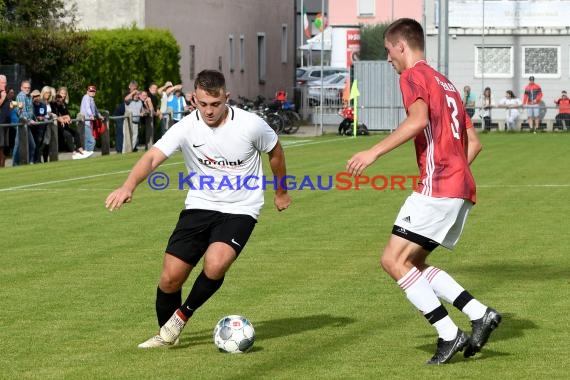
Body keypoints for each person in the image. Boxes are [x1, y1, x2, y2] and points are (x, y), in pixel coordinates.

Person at [346, 18, 499, 365]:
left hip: (439, 185)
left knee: (392, 260)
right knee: (413, 262)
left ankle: (449, 333)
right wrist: (456, 175)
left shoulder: (412, 75)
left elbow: (417, 121)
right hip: (457, 185)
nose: (388, 58)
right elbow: (474, 143)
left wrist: (373, 152)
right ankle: (480, 314)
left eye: (388, 50)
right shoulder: (446, 84)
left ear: (402, 45)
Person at [105, 69, 291, 349]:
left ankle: (182, 316)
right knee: (170, 278)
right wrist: (128, 186)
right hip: (200, 206)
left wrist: (281, 192)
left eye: (215, 104)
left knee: (215, 264)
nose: (209, 111)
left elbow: (275, 151)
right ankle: (167, 336)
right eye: (202, 104)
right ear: (193, 98)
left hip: (241, 208)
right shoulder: (185, 127)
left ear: (226, 98)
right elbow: (154, 156)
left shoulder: (250, 125)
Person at [51, 87, 91, 159]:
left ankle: (81, 150)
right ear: (58, 93)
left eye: (65, 94)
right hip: (57, 127)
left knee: (76, 133)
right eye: (62, 93)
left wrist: (67, 117)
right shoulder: (54, 103)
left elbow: (67, 114)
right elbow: (55, 115)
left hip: (65, 126)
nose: (63, 95)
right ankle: (74, 153)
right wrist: (64, 117)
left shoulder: (64, 104)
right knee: (68, 135)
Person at [13, 80, 36, 166]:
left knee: (32, 145)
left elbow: (30, 110)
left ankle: (29, 162)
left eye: (28, 88)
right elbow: (22, 111)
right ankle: (15, 164)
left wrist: (34, 118)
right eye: (25, 88)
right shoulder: (21, 96)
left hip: (27, 124)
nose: (27, 89)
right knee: (18, 144)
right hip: (22, 124)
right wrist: (29, 120)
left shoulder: (29, 96)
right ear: (21, 88)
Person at [79, 84, 102, 153]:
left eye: (93, 91)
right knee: (92, 141)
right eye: (90, 91)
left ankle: (85, 156)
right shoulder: (86, 97)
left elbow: (95, 109)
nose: (92, 92)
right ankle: (87, 154)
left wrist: (99, 115)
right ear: (87, 92)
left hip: (89, 123)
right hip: (85, 122)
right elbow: (87, 107)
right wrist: (91, 115)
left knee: (87, 141)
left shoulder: (91, 99)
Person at [0, 75, 9, 167]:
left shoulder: (4, 92)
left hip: (5, 124)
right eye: (3, 82)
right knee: (1, 148)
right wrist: (2, 98)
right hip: (0, 125)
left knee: (4, 148)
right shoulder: (2, 94)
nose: (5, 84)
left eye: (5, 82)